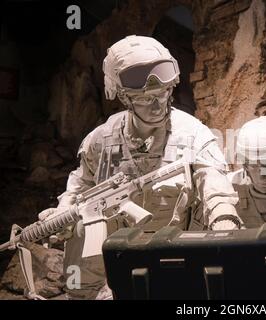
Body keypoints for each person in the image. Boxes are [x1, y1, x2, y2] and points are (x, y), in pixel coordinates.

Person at [38, 35, 241, 299]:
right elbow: (80, 187)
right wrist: (63, 213)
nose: (158, 105)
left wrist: (224, 219)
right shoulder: (101, 139)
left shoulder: (193, 133)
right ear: (124, 97)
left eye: (163, 94)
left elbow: (213, 182)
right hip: (114, 251)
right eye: (146, 99)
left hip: (173, 247)